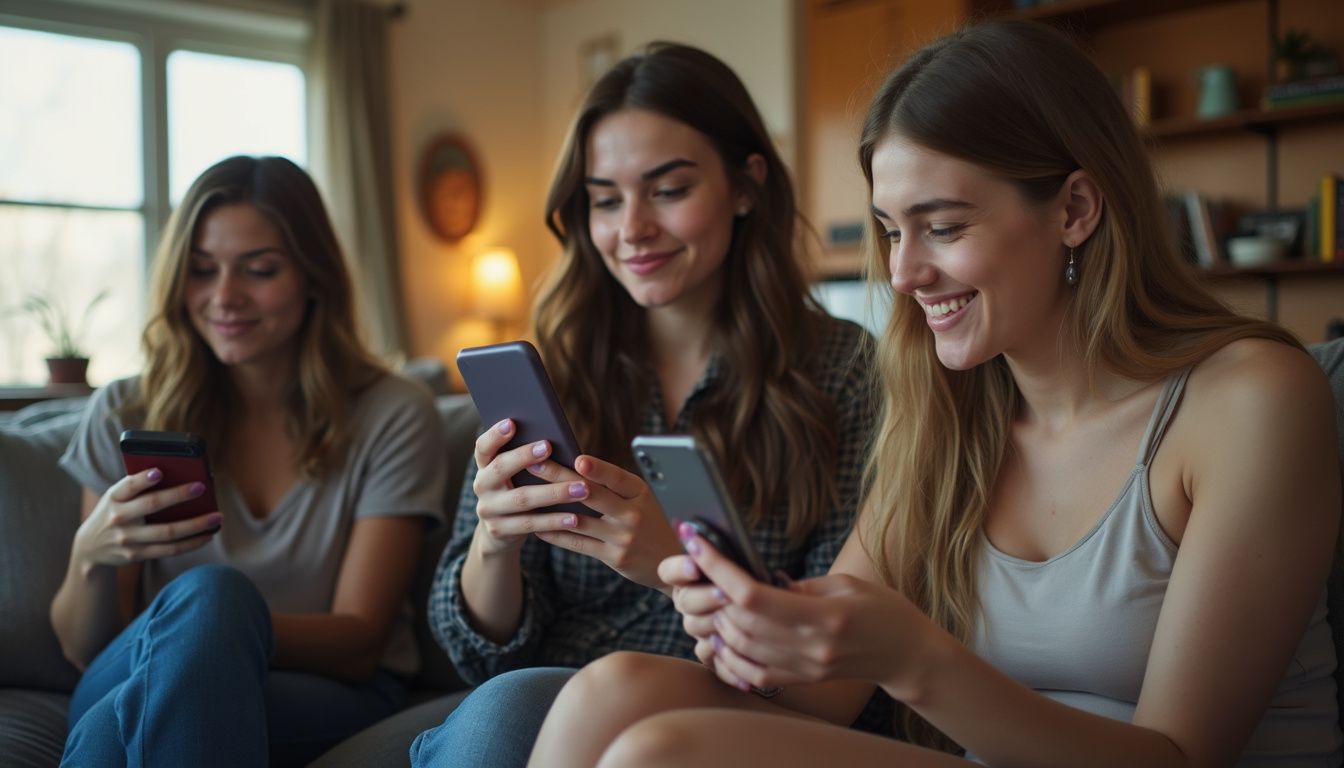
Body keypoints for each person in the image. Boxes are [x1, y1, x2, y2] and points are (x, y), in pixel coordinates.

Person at [528, 20, 1344, 767]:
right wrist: (732, 610)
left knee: (660, 754)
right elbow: (819, 700)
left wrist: (914, 658)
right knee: (609, 692)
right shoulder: (950, 413)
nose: (903, 273)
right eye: (890, 230)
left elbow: (1178, 758)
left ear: (1077, 208)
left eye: (943, 227)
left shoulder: (1250, 399)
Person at [404, 42, 877, 768]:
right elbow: (475, 647)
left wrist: (671, 562)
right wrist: (495, 543)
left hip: (719, 709)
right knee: (499, 710)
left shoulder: (842, 373)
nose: (631, 230)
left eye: (668, 189)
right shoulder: (557, 366)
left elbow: (830, 659)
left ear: (747, 185)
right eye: (604, 200)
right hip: (534, 695)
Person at [50, 155, 448, 767]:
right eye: (201, 270)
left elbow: (360, 641)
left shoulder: (393, 412)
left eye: (259, 270)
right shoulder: (126, 409)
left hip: (330, 692)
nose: (225, 298)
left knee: (126, 714)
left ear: (314, 276)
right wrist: (89, 557)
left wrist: (214, 625)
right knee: (199, 618)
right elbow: (87, 649)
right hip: (141, 668)